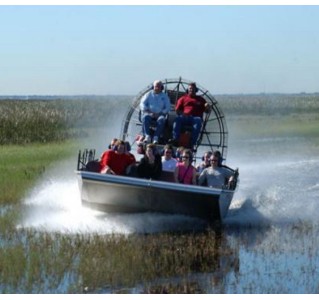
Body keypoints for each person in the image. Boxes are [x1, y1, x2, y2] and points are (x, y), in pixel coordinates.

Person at [170, 82, 211, 149]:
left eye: (193, 89)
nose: (191, 90)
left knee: (198, 121)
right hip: (185, 117)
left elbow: (207, 111)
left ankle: (192, 142)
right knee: (177, 119)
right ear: (187, 90)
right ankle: (175, 139)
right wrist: (182, 114)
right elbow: (177, 110)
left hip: (195, 118)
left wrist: (207, 107)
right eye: (190, 88)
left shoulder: (201, 99)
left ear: (196, 90)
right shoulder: (183, 98)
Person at [139, 80, 171, 144]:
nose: (157, 88)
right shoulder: (148, 94)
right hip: (149, 113)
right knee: (145, 118)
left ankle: (156, 137)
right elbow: (142, 104)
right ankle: (147, 136)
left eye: (159, 86)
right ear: (153, 87)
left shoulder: (165, 96)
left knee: (162, 120)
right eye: (156, 86)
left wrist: (161, 113)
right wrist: (147, 111)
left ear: (161, 87)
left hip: (160, 114)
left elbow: (168, 107)